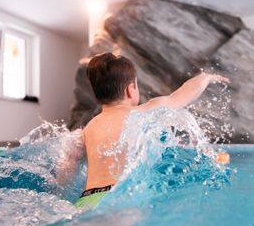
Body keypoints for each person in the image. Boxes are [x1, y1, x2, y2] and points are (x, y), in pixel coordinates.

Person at [74, 53, 230, 208]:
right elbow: (183, 95)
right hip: (120, 198)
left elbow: (67, 169)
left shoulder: (87, 129)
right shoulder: (142, 112)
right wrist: (205, 77)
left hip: (87, 200)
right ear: (130, 89)